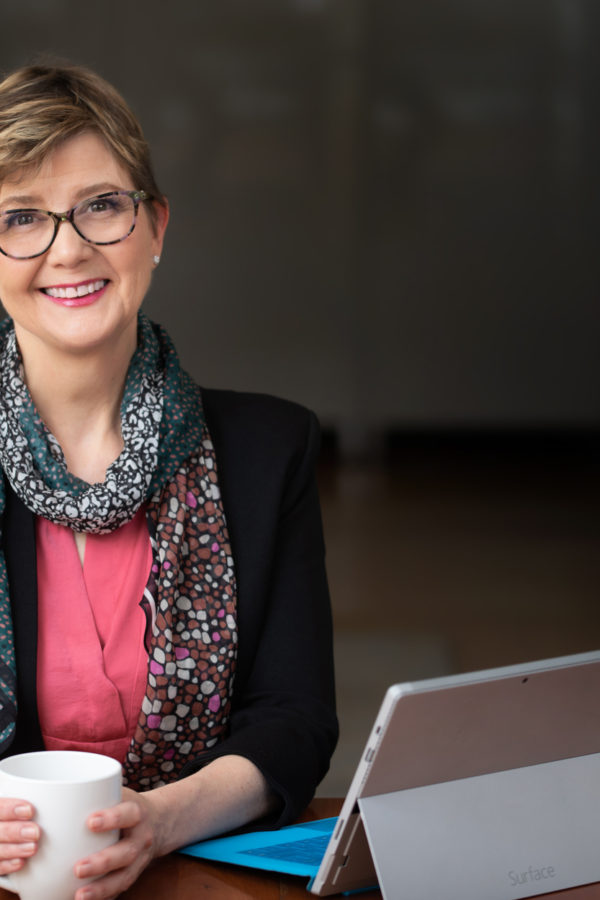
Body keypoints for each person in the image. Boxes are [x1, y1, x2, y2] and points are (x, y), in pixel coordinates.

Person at [0, 62, 337, 900]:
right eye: (21, 218)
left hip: (197, 876)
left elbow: (295, 722)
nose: (68, 248)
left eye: (101, 207)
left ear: (155, 226)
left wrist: (160, 820)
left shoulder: (269, 447)